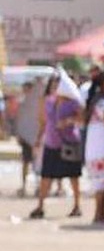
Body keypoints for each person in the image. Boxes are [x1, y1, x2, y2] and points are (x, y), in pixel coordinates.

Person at [29, 73, 83, 219]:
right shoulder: (46, 101)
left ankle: (77, 205)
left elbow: (82, 119)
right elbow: (43, 122)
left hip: (69, 142)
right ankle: (40, 206)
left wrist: (68, 121)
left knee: (73, 176)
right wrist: (39, 139)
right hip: (52, 143)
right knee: (46, 175)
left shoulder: (73, 102)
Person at [84, 70, 104, 223]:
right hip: (101, 144)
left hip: (94, 144)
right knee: (101, 181)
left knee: (100, 181)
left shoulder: (93, 100)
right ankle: (99, 213)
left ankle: (100, 213)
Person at [15, 80, 42, 197]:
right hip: (26, 137)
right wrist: (19, 134)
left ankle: (38, 186)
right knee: (25, 162)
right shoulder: (22, 103)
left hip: (36, 136)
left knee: (37, 163)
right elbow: (19, 119)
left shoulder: (38, 102)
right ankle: (24, 186)